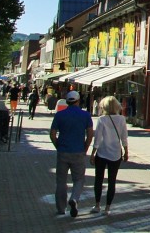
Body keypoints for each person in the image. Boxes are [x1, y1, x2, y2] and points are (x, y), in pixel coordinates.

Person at [49, 89, 94, 218]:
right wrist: (85, 147)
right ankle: (74, 199)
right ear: (78, 101)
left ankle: (61, 208)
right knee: (79, 179)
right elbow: (90, 134)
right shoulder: (85, 115)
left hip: (63, 151)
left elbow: (52, 134)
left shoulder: (59, 115)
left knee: (61, 181)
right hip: (78, 151)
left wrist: (58, 145)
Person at [89, 96, 129, 216]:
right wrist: (126, 151)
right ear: (117, 106)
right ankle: (107, 207)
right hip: (116, 153)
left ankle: (97, 205)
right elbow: (124, 137)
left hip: (102, 152)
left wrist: (92, 153)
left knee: (98, 179)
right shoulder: (122, 119)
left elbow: (98, 138)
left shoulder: (102, 119)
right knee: (112, 180)